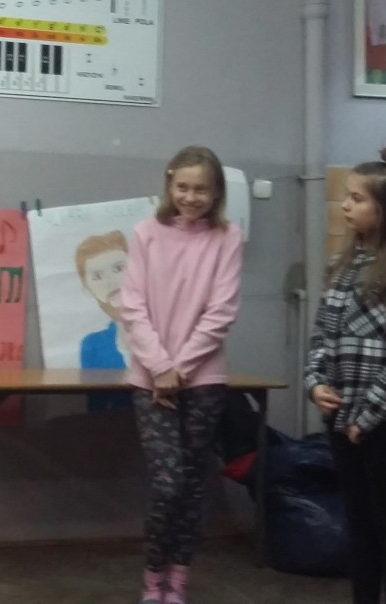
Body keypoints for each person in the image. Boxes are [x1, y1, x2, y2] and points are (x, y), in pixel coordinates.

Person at [305, 146, 386, 604]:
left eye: (357, 198)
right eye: (347, 196)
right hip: (342, 415)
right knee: (357, 522)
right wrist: (315, 383)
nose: (345, 205)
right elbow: (321, 336)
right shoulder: (342, 264)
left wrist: (369, 416)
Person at [120, 146, 243, 604]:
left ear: (216, 193)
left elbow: (221, 311)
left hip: (203, 380)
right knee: (167, 484)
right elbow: (133, 306)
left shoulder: (227, 237)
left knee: (192, 486)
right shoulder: (145, 234)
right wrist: (161, 368)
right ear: (170, 184)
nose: (191, 197)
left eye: (201, 189)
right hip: (150, 379)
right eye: (183, 187)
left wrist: (181, 368)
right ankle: (153, 578)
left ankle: (178, 580)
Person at [77, 230, 130, 370]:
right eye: (98, 277)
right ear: (87, 289)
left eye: (119, 268)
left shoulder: (167, 331)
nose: (111, 282)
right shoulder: (93, 346)